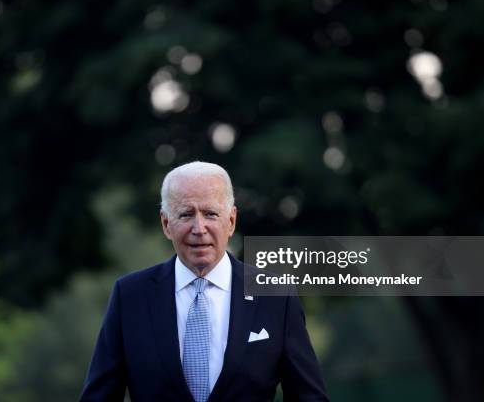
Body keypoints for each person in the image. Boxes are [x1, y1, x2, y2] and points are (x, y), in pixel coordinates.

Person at [79, 161, 328, 402]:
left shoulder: (275, 296)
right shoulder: (130, 296)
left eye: (210, 213)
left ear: (231, 221)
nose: (199, 228)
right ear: (166, 223)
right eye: (186, 215)